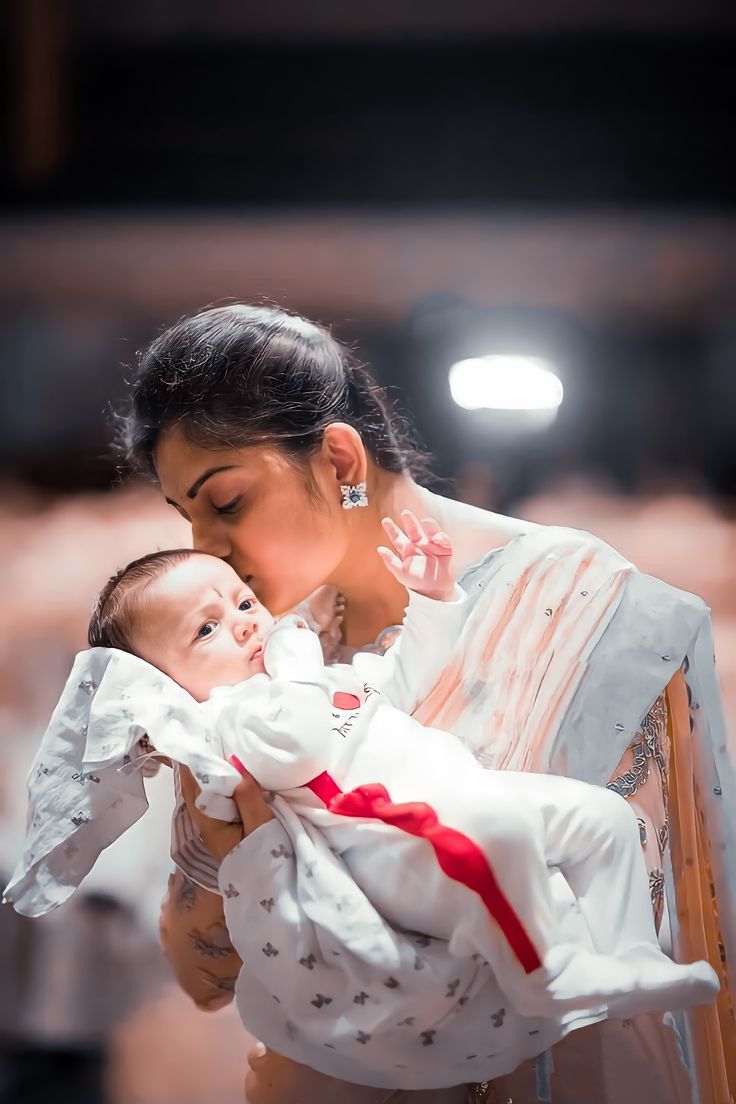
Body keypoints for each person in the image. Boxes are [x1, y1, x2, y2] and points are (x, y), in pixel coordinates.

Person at [120, 303, 733, 1103]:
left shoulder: (593, 608)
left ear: (340, 460)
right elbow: (203, 972)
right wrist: (217, 835)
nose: (206, 550)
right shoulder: (253, 652)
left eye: (226, 502)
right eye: (186, 516)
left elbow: (667, 925)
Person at [6, 523, 718, 1089]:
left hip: (456, 797)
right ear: (168, 684)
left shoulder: (315, 675)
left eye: (243, 603)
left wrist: (434, 600)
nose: (248, 624)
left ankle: (625, 952)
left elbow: (402, 677)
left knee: (598, 818)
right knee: (493, 840)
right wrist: (298, 663)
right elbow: (297, 749)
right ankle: (546, 976)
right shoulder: (230, 721)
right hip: (390, 839)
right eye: (207, 629)